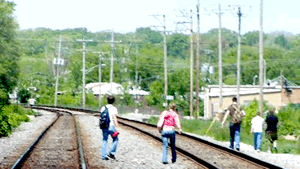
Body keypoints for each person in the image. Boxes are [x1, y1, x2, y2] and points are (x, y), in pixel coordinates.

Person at [100, 95, 119, 160]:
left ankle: (103, 156)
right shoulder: (114, 108)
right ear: (113, 101)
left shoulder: (103, 108)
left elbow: (101, 117)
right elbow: (114, 118)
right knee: (115, 139)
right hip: (111, 126)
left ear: (107, 100)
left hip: (104, 126)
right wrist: (117, 127)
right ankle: (111, 153)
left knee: (104, 140)